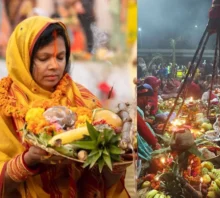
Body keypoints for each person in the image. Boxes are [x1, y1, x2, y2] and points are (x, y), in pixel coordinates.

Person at [0, 16, 129, 197]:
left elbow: (107, 179)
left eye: (60, 57)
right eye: (44, 58)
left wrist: (119, 157)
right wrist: (27, 161)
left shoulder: (83, 99)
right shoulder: (5, 103)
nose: (54, 66)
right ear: (23, 59)